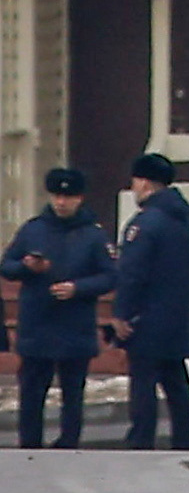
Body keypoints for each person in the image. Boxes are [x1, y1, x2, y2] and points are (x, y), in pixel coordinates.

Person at [102, 152, 189, 449]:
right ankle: (183, 439)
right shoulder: (181, 220)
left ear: (144, 182)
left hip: (145, 317)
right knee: (175, 381)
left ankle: (141, 440)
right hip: (175, 314)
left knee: (143, 381)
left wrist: (121, 314)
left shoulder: (145, 224)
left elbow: (133, 273)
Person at [9, 165, 104, 449]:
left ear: (80, 198)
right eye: (57, 197)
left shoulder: (93, 235)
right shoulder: (33, 229)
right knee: (32, 391)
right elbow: (8, 265)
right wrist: (27, 266)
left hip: (74, 326)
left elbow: (110, 275)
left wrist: (78, 288)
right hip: (38, 325)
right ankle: (29, 443)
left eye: (69, 197)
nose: (61, 203)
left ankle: (69, 442)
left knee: (73, 393)